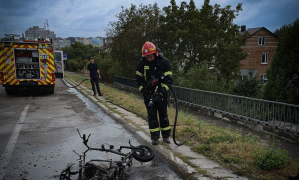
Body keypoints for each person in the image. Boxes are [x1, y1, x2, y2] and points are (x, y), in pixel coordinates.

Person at [136, 41, 173, 146]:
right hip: (148, 94)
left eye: (150, 57)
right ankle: (155, 138)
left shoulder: (163, 62)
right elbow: (138, 82)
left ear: (155, 53)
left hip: (161, 94)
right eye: (147, 57)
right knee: (152, 117)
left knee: (163, 115)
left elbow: (169, 80)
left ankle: (166, 136)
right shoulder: (141, 63)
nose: (149, 59)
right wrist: (144, 92)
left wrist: (161, 93)